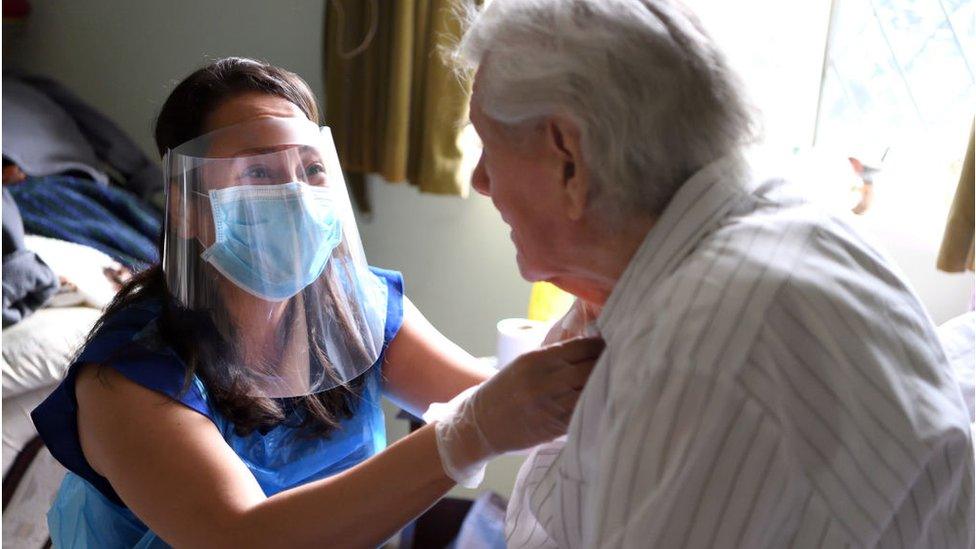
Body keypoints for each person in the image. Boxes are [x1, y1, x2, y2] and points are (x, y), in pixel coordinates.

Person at [450, 0, 975, 547]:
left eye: (490, 146)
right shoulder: (753, 226)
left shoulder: (706, 350)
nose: (482, 181)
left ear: (569, 160)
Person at [31, 57, 604, 548]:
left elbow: (490, 399)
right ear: (188, 206)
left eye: (309, 170)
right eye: (257, 172)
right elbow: (239, 539)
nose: (296, 197)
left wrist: (592, 290)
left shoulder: (358, 308)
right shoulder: (130, 376)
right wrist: (464, 436)